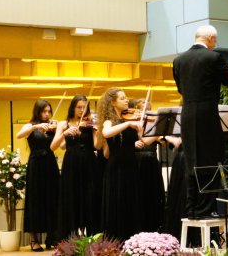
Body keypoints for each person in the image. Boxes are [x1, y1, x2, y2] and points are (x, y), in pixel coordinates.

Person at [173, 25, 228, 219]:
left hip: (187, 114)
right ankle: (205, 209)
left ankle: (192, 209)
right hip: (207, 115)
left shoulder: (179, 60)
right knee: (211, 159)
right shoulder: (213, 58)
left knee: (192, 161)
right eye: (216, 41)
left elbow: (181, 89)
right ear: (211, 38)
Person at [98, 87, 148, 240]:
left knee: (131, 202)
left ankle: (131, 241)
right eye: (122, 98)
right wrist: (127, 125)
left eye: (126, 98)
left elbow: (144, 141)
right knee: (117, 203)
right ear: (113, 103)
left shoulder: (130, 119)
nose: (127, 100)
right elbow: (106, 133)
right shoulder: (109, 122)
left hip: (131, 166)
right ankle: (116, 241)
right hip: (116, 167)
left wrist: (142, 130)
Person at [50, 95, 100, 239]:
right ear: (73, 107)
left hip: (89, 164)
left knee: (89, 197)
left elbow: (96, 145)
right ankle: (71, 238)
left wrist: (95, 129)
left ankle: (91, 237)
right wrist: (65, 133)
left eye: (85, 107)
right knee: (72, 197)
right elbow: (53, 146)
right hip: (71, 164)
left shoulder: (90, 124)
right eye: (79, 107)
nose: (82, 110)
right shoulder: (63, 124)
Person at [17, 99, 60, 251]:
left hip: (50, 164)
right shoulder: (30, 125)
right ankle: (33, 238)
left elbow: (58, 145)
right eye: (44, 111)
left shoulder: (52, 126)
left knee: (52, 197)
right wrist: (36, 127)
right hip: (36, 165)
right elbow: (19, 135)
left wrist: (57, 130)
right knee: (35, 199)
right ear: (38, 111)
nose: (47, 114)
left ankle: (51, 236)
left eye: (49, 111)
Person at [129, 98, 165, 232]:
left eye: (149, 109)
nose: (146, 112)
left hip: (151, 163)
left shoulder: (152, 125)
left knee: (153, 194)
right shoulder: (131, 124)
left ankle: (154, 226)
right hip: (138, 162)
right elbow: (144, 141)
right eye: (143, 109)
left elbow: (162, 141)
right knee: (140, 195)